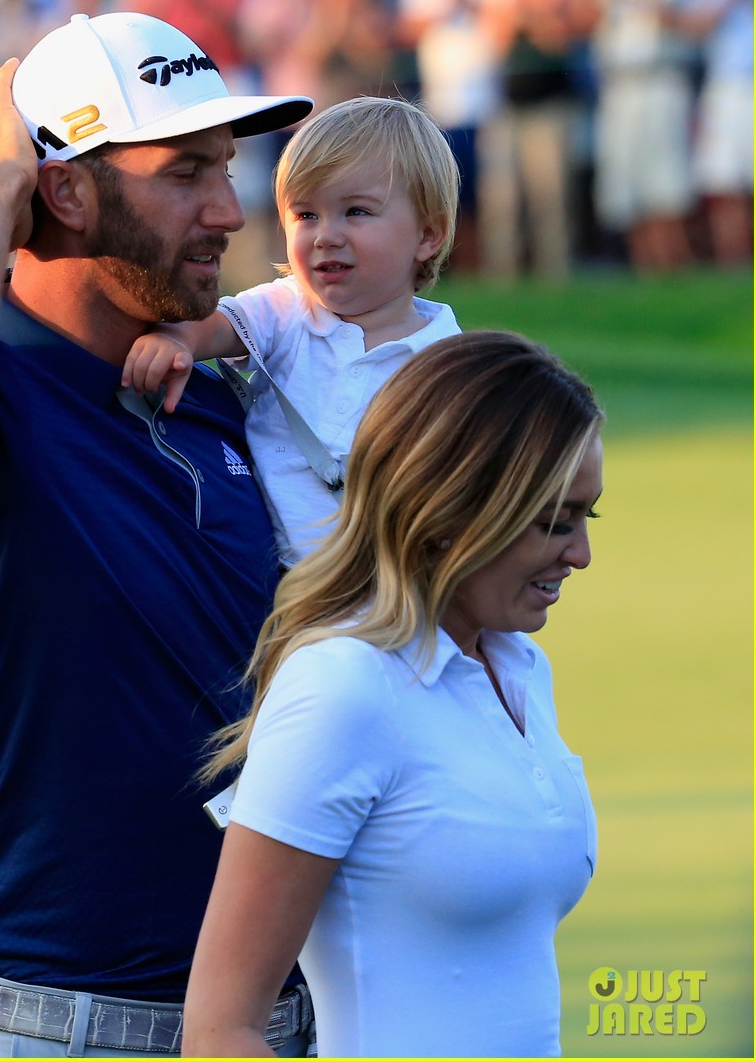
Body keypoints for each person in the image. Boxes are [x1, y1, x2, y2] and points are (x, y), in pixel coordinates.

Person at [0, 11, 314, 1057]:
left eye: (224, 168)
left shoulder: (217, 394)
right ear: (67, 188)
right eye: (184, 171)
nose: (229, 210)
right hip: (54, 1031)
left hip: (269, 1028)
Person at [181, 330, 604, 1059]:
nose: (581, 555)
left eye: (585, 519)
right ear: (452, 511)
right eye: (553, 522)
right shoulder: (345, 689)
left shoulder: (523, 670)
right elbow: (222, 1032)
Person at [122, 96, 461, 566]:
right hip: (286, 590)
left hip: (397, 592)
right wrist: (176, 342)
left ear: (427, 235)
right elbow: (212, 327)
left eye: (357, 212)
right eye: (306, 215)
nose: (326, 235)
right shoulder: (286, 309)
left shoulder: (450, 361)